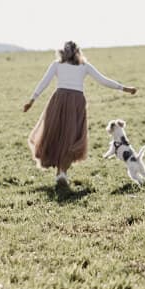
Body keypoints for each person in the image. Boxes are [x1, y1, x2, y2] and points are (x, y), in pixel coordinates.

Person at [23, 41, 137, 188]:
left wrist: (32, 100)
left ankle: (61, 172)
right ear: (78, 52)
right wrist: (124, 88)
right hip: (74, 102)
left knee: (59, 136)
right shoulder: (83, 66)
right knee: (71, 138)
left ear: (62, 52)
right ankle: (62, 172)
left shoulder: (58, 65)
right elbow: (103, 80)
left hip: (60, 100)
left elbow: (43, 82)